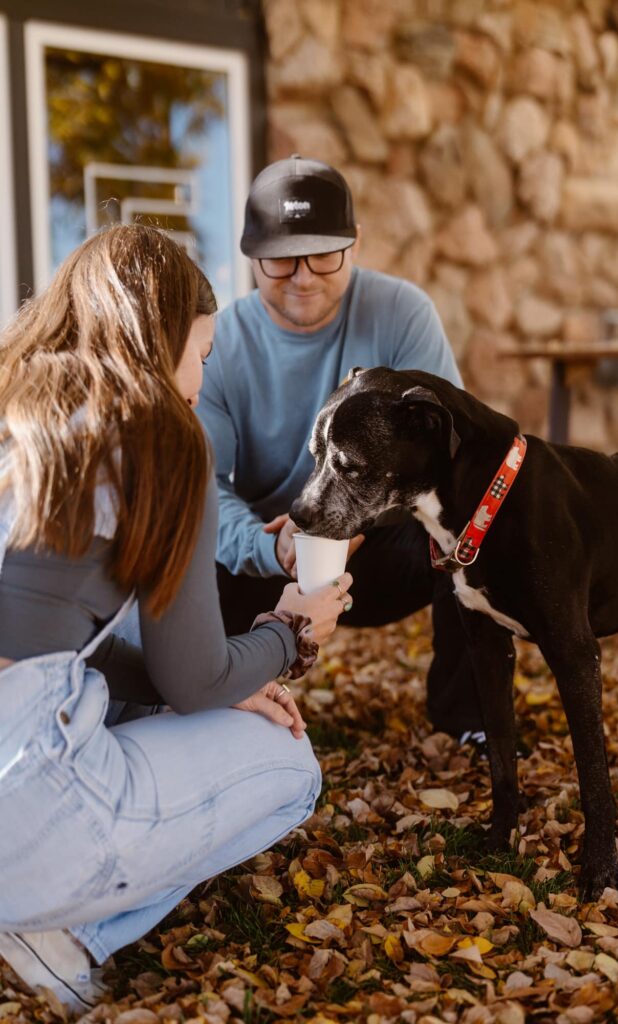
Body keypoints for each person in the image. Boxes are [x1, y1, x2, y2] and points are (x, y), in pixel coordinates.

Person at [0, 225, 352, 1011]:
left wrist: (223, 678)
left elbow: (41, 638)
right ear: (161, 342)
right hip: (27, 793)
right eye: (202, 350)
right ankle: (60, 936)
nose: (201, 375)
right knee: (293, 768)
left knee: (124, 662)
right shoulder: (160, 432)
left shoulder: (17, 405)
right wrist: (290, 632)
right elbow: (193, 679)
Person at [197, 155, 485, 743]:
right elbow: (203, 484)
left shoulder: (404, 313)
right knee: (191, 545)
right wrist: (266, 545)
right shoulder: (219, 342)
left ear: (353, 246)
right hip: (267, 548)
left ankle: (467, 718)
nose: (303, 276)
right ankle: (221, 699)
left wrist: (368, 515)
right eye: (280, 258)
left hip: (383, 538)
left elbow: (451, 453)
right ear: (253, 258)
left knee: (471, 529)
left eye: (323, 254)